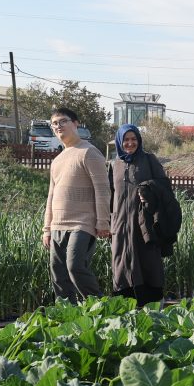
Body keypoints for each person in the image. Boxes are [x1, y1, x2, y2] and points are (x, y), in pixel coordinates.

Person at [42, 106, 112, 302]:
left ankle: (100, 309)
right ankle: (68, 316)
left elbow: (102, 189)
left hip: (82, 223)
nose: (58, 126)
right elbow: (51, 195)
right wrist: (47, 229)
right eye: (54, 123)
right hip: (57, 225)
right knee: (58, 274)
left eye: (63, 121)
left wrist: (103, 222)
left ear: (75, 124)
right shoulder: (57, 160)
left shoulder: (89, 152)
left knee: (75, 267)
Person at [110, 124, 168, 306]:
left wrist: (148, 190)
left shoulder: (149, 160)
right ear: (120, 141)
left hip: (144, 224)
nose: (130, 143)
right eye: (126, 140)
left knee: (148, 262)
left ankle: (153, 307)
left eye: (133, 139)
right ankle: (126, 308)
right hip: (120, 225)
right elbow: (110, 194)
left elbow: (164, 186)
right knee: (121, 265)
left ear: (139, 140)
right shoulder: (114, 164)